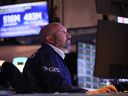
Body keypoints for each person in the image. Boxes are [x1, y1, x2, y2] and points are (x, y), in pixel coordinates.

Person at [22, 22, 118, 94]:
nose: (69, 36)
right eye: (63, 32)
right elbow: (59, 87)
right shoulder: (46, 56)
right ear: (50, 39)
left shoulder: (51, 56)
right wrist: (89, 93)